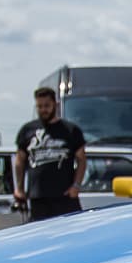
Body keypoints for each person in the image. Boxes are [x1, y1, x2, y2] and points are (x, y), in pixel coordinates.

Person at [14, 85, 87, 220]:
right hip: (38, 198)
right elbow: (20, 161)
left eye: (47, 106)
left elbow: (81, 159)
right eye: (39, 106)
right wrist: (19, 188)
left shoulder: (70, 130)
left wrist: (76, 185)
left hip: (65, 197)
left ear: (55, 105)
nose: (43, 110)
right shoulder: (27, 130)